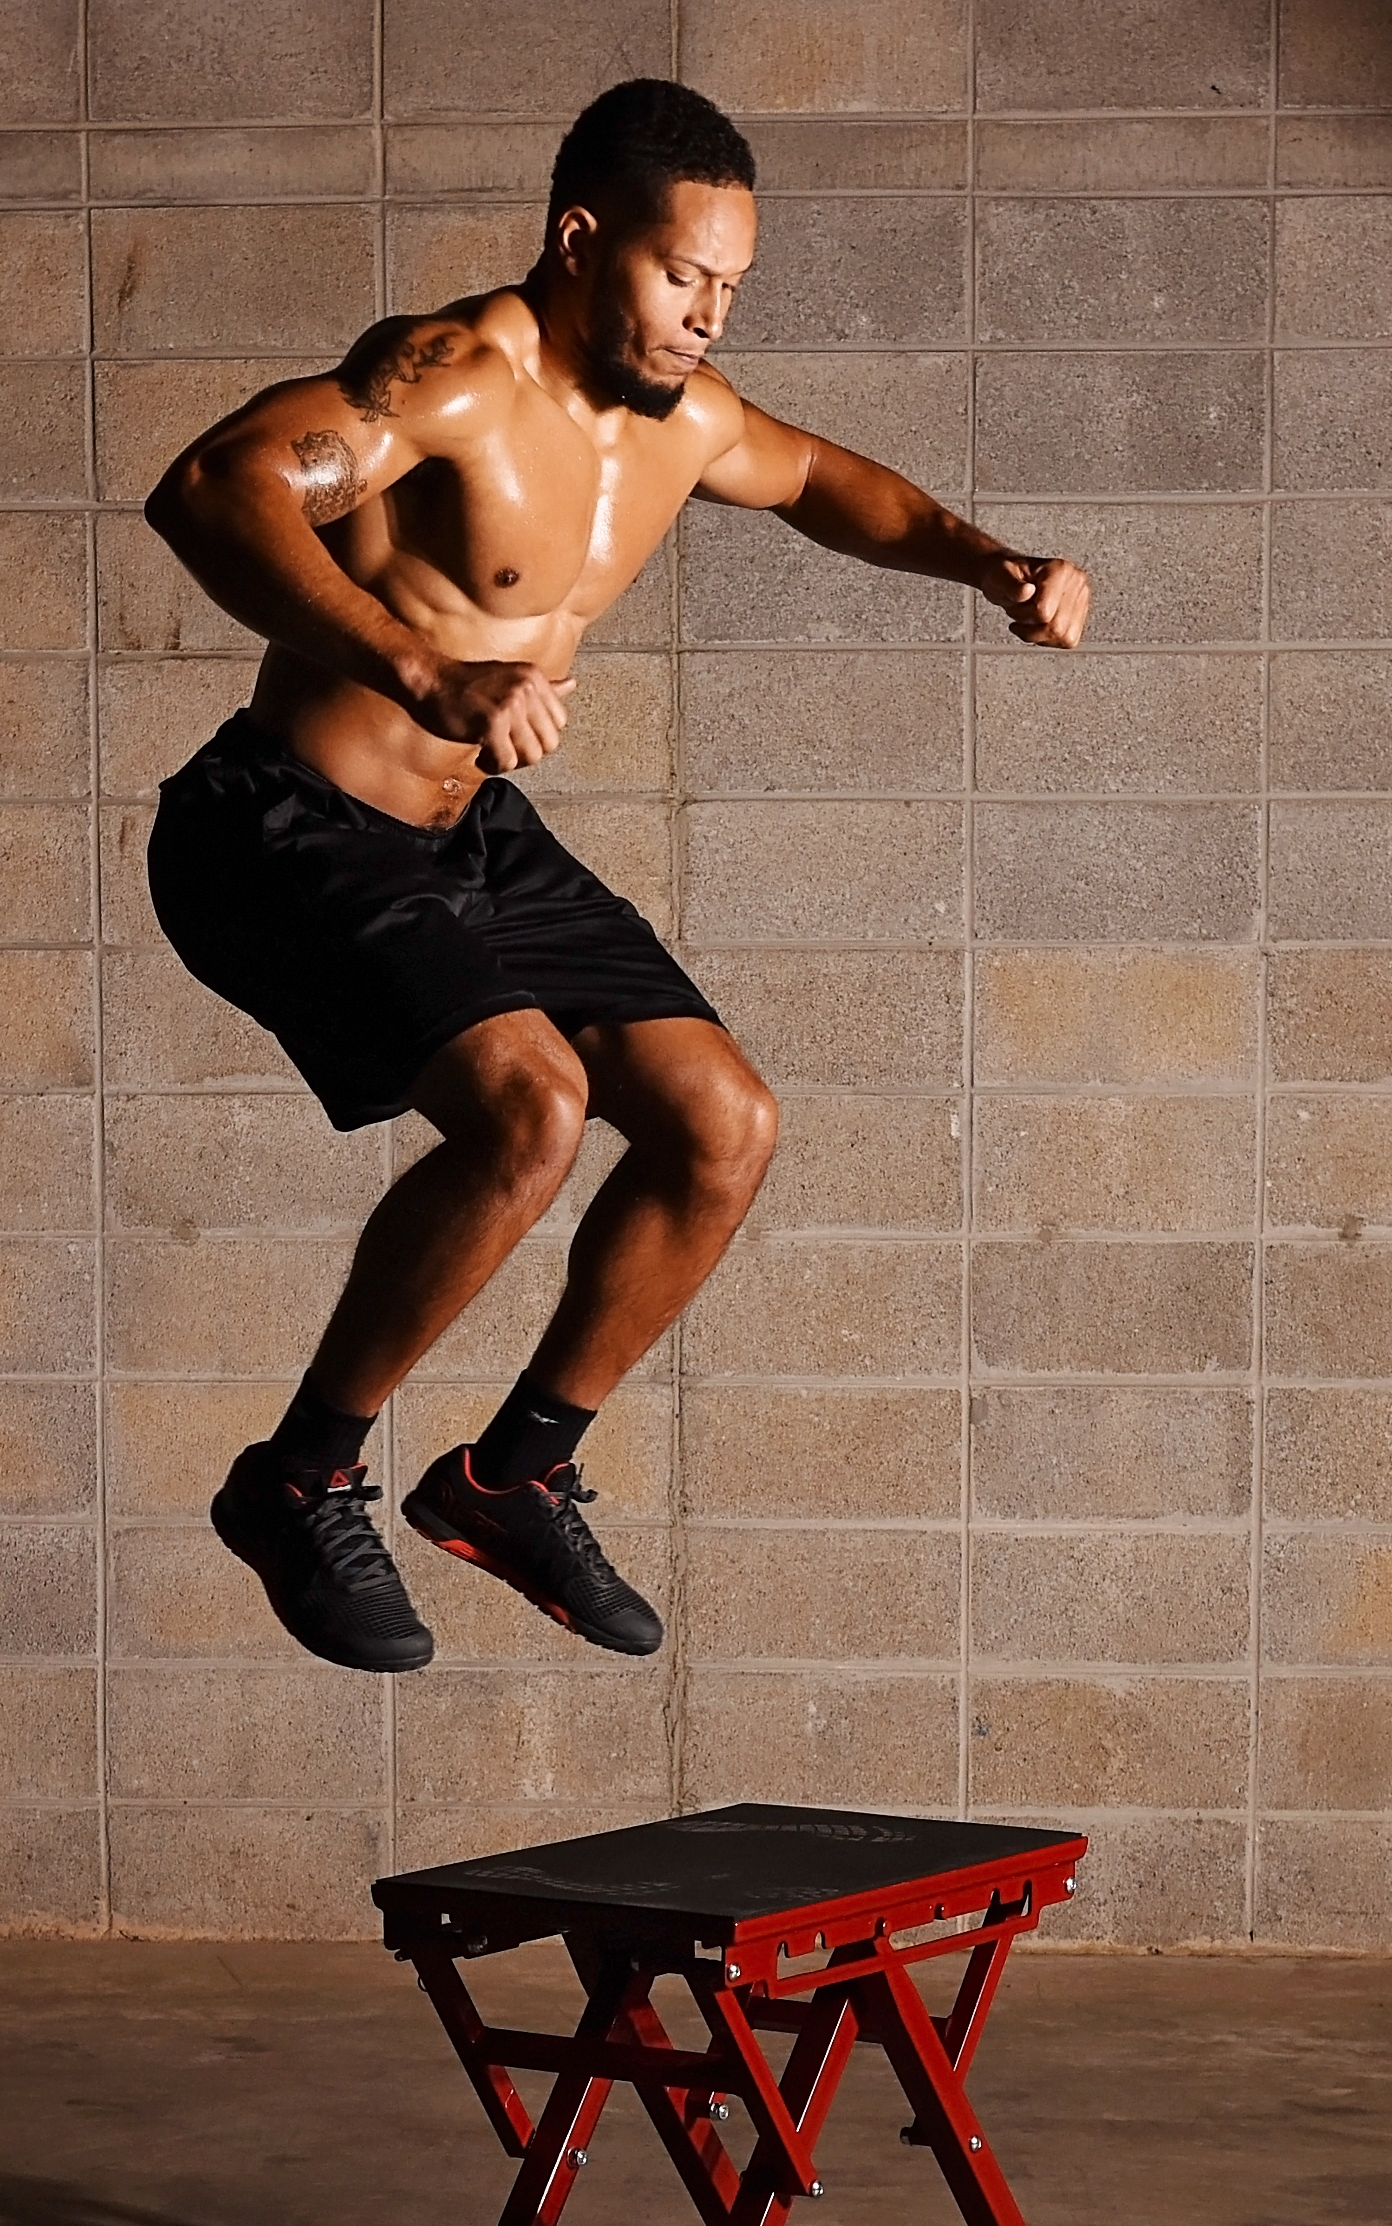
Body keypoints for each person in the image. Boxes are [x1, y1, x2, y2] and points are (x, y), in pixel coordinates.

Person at [144, 79, 1090, 1674]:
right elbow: (211, 489)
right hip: (284, 824)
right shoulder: (453, 376)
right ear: (583, 241)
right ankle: (295, 1480)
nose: (708, 314)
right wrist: (422, 666)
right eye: (680, 275)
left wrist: (990, 560)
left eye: (730, 286)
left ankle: (511, 1477)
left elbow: (823, 484)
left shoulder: (683, 420)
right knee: (534, 1109)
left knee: (726, 1124)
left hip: (461, 836)